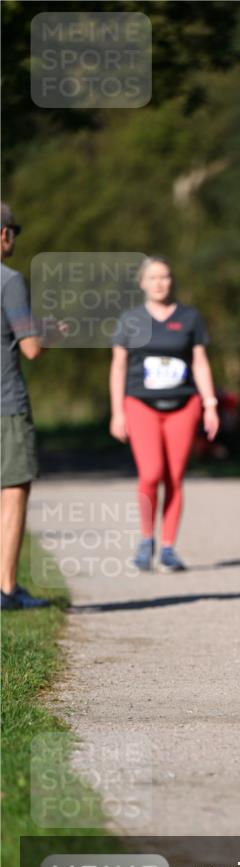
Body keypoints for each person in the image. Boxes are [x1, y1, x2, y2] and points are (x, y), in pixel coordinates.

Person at [109, 256, 219, 571]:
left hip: (184, 405)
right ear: (142, 283)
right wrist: (117, 411)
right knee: (151, 473)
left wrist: (210, 403)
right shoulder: (130, 320)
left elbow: (199, 361)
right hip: (140, 404)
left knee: (174, 476)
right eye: (153, 278)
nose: (160, 283)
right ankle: (146, 540)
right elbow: (117, 365)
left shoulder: (190, 318)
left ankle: (168, 546)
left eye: (165, 277)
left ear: (172, 281)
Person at [1, 203, 50, 611]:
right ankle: (6, 589)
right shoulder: (9, 280)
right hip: (5, 406)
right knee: (13, 493)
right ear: (3, 235)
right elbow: (31, 347)